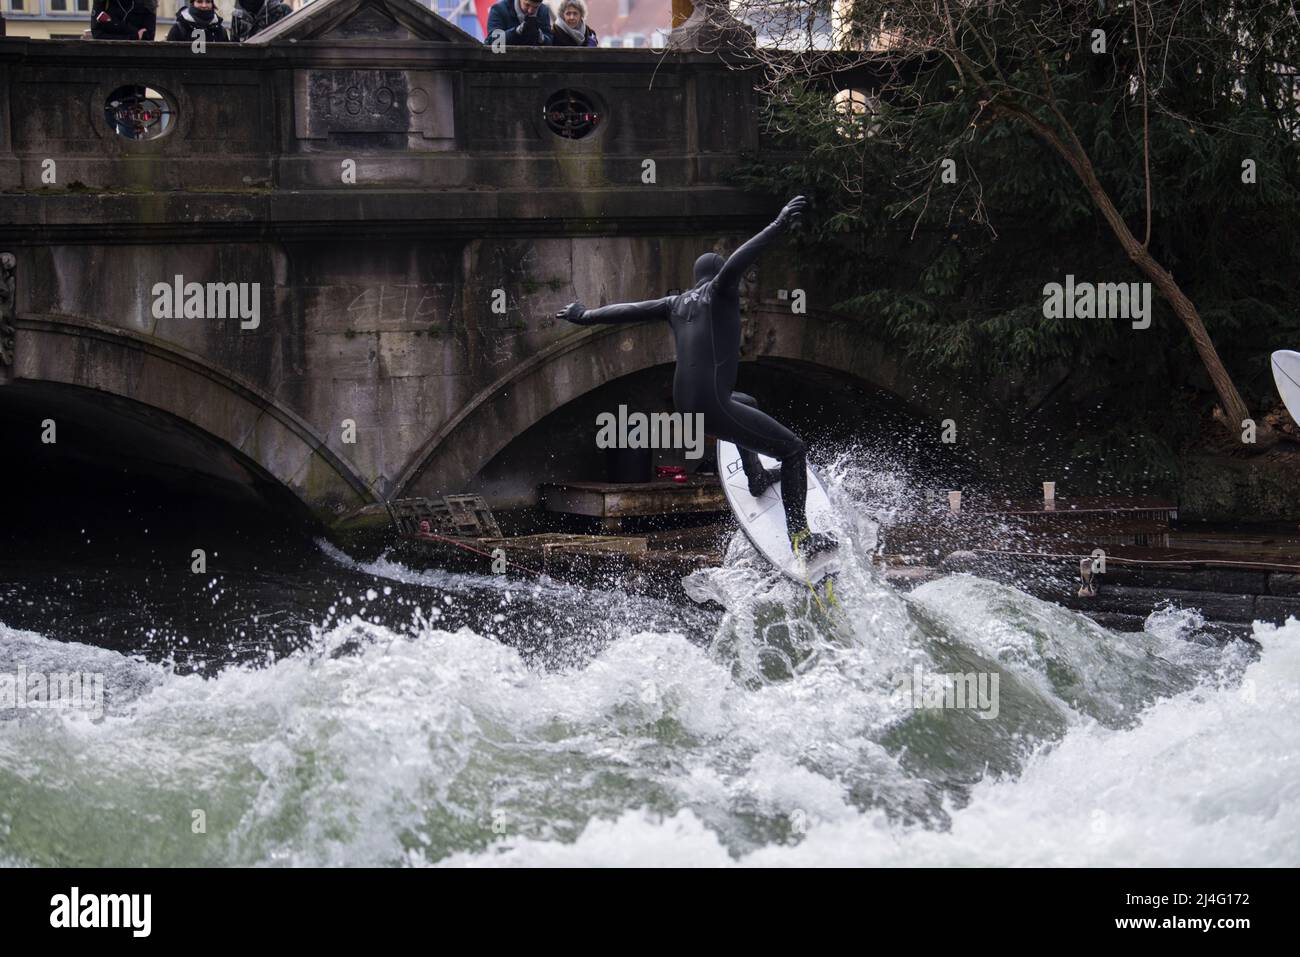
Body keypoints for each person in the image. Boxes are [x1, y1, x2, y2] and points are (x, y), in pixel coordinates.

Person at [557, 196, 838, 559]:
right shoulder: (720, 291)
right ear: (718, 277)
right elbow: (742, 259)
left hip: (687, 402)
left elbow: (629, 309)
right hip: (713, 404)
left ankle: (755, 476)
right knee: (792, 449)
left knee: (747, 402)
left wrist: (585, 314)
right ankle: (801, 537)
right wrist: (779, 224)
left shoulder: (676, 304)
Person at [484, 0, 553, 46]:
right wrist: (516, 31)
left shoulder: (543, 11)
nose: (530, 11)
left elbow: (550, 41)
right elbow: (492, 41)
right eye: (527, 5)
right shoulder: (498, 10)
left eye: (536, 7)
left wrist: (540, 36)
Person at [90, 0, 157, 40]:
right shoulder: (103, 2)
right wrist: (133, 35)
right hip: (108, 55)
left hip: (136, 56)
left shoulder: (147, 3)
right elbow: (97, 34)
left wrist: (112, 25)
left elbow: (148, 36)